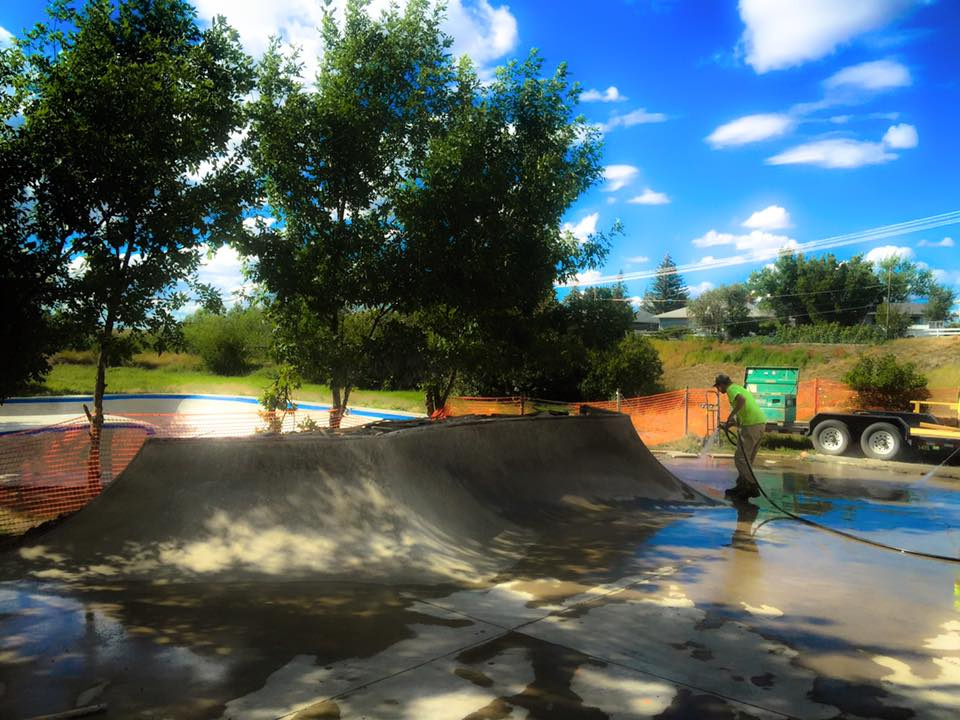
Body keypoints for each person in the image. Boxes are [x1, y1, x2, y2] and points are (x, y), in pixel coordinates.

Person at [713, 373, 766, 500]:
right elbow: (746, 409)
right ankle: (742, 487)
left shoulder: (731, 390)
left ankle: (752, 486)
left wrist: (731, 415)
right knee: (747, 460)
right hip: (759, 423)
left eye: (718, 387)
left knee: (740, 459)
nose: (718, 390)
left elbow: (742, 401)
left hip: (751, 425)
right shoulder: (739, 387)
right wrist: (733, 423)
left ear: (721, 385)